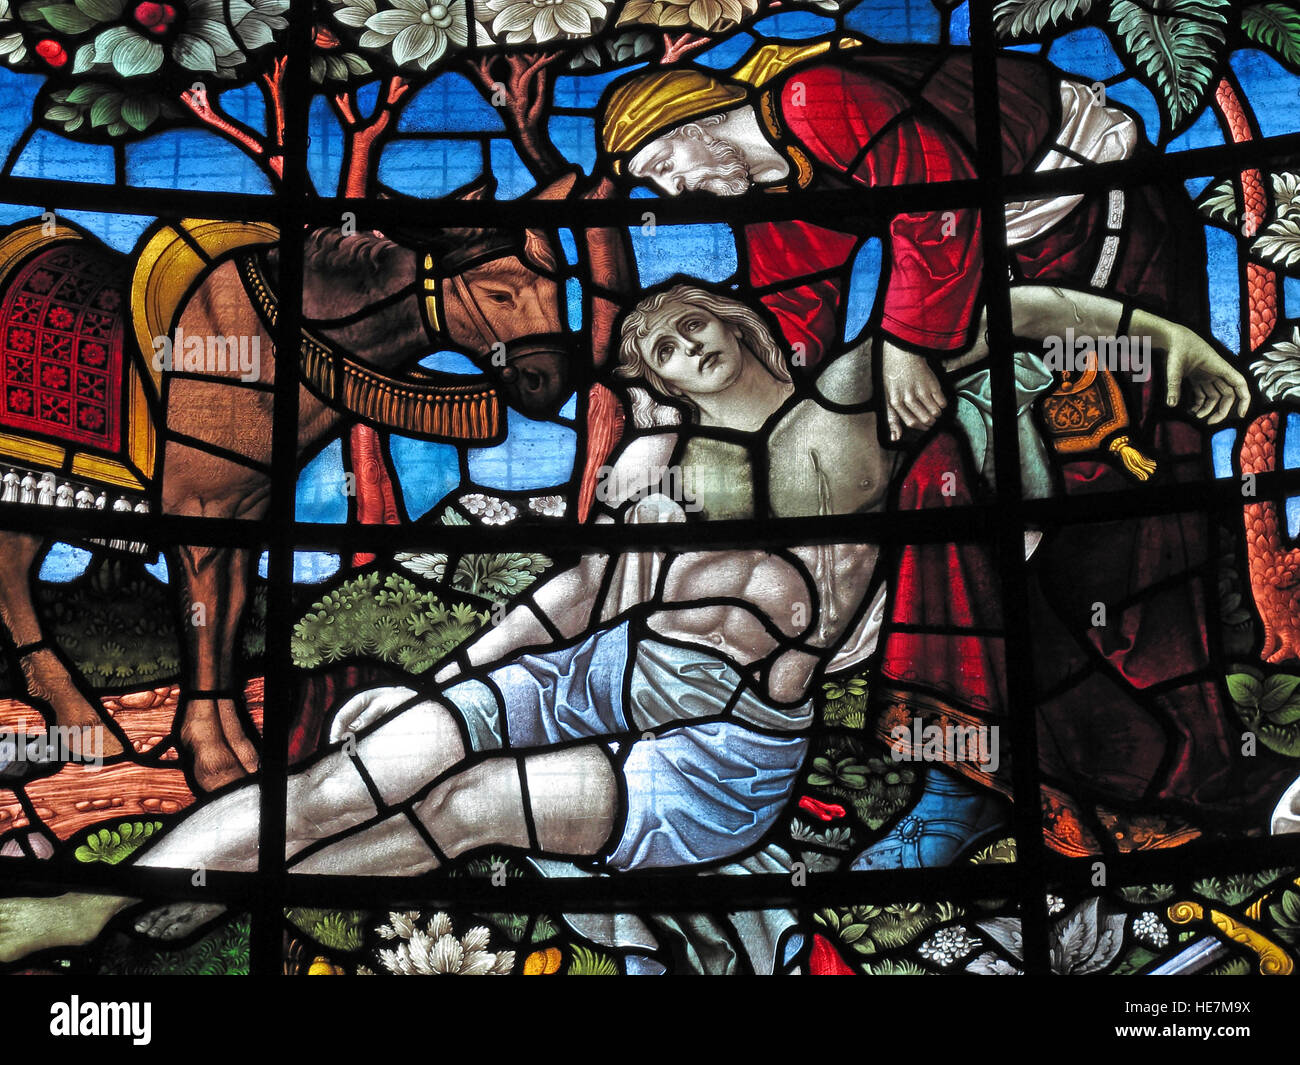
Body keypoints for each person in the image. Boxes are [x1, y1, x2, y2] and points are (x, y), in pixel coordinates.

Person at [0, 283, 1252, 963]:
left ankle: (235, 896)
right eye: (655, 341)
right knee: (360, 770)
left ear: (747, 323)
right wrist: (451, 678)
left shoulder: (854, 402)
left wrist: (1163, 347)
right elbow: (575, 597)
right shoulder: (663, 468)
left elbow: (1008, 309)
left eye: (692, 316)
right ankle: (110, 907)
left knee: (464, 811)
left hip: (721, 735)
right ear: (654, 378)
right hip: (598, 670)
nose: (678, 337)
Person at [598, 43, 1295, 838]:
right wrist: (712, 433)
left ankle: (1200, 769)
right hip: (1002, 282)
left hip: (1104, 226)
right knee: (940, 486)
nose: (670, 188)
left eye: (663, 162)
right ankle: (986, 760)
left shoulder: (809, 99)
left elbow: (939, 204)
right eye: (655, 184)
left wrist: (905, 343)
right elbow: (793, 322)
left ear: (696, 116)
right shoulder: (776, 187)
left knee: (1122, 514)